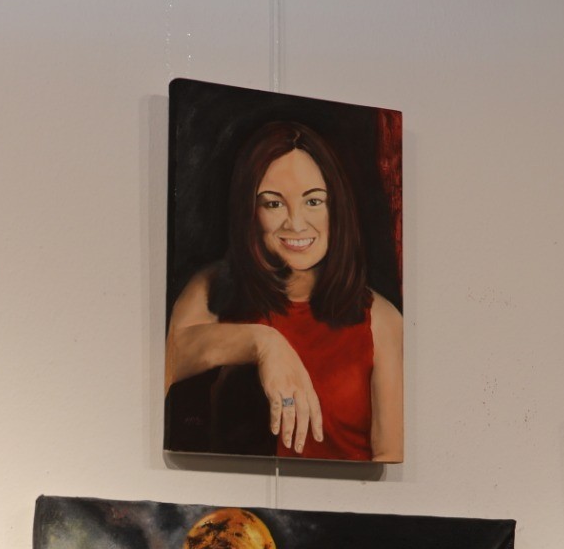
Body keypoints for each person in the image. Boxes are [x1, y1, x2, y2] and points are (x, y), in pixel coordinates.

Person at [165, 120, 402, 462]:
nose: (296, 223)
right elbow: (165, 364)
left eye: (314, 201)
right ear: (249, 211)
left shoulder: (381, 318)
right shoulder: (215, 286)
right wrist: (262, 343)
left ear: (337, 208)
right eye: (273, 204)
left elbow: (390, 456)